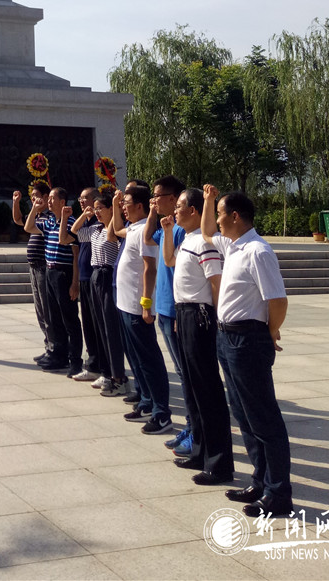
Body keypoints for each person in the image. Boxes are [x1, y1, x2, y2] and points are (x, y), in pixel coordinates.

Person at [201, 183, 293, 518]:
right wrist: (210, 200)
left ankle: (278, 494)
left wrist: (269, 330)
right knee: (243, 415)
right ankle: (260, 481)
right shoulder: (233, 245)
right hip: (228, 339)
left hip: (248, 341)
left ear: (236, 216)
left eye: (221, 214)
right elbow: (207, 231)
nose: (218, 220)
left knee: (264, 419)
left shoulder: (258, 251)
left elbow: (278, 300)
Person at [162, 188, 234, 485]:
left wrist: (217, 320)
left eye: (179, 206)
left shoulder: (205, 243)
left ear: (193, 210)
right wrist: (168, 232)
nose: (175, 210)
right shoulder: (187, 239)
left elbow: (216, 283)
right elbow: (169, 261)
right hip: (185, 314)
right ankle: (200, 452)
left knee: (208, 390)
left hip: (201, 315)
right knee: (192, 388)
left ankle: (219, 464)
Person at [112, 185, 172, 434]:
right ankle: (146, 402)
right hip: (125, 304)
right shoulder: (133, 228)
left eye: (126, 203)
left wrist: (146, 304)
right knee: (136, 359)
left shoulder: (147, 230)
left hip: (138, 308)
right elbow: (115, 230)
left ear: (140, 205)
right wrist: (115, 205)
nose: (123, 207)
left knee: (149, 362)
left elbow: (150, 268)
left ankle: (161, 413)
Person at [144, 176, 191, 454]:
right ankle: (191, 426)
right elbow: (147, 238)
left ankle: (195, 428)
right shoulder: (166, 226)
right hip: (163, 308)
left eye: (158, 196)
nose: (154, 200)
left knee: (186, 373)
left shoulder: (181, 230)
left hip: (175, 310)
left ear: (173, 198)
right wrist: (153, 212)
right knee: (181, 371)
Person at [67, 192, 128, 395]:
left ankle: (117, 376)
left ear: (111, 208)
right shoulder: (95, 229)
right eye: (96, 209)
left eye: (100, 208)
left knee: (110, 328)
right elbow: (74, 231)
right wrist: (85, 214)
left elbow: (112, 236)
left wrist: (115, 208)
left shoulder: (116, 229)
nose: (97, 212)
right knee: (99, 327)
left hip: (107, 274)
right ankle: (106, 372)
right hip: (95, 275)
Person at [24, 186, 83, 376]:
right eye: (48, 198)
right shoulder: (49, 221)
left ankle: (75, 360)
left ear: (62, 202)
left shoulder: (72, 222)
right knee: (54, 317)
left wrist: (75, 282)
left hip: (64, 273)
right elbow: (28, 227)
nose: (48, 201)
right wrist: (34, 208)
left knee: (69, 319)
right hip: (50, 271)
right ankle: (59, 355)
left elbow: (75, 255)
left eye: (52, 198)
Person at [12, 182, 55, 364]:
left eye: (36, 195)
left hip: (44, 267)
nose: (33, 199)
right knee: (40, 311)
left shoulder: (50, 217)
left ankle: (55, 348)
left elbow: (26, 227)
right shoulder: (36, 215)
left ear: (46, 197)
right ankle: (48, 346)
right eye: (32, 196)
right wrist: (16, 202)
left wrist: (35, 209)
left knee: (48, 310)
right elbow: (18, 220)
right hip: (33, 267)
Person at [72, 187, 106, 382]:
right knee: (88, 325)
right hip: (85, 278)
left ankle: (103, 366)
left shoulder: (100, 224)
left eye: (85, 198)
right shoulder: (87, 222)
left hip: (97, 277)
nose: (81, 201)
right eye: (80, 198)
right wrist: (84, 215)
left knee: (97, 324)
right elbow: (73, 232)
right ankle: (93, 364)